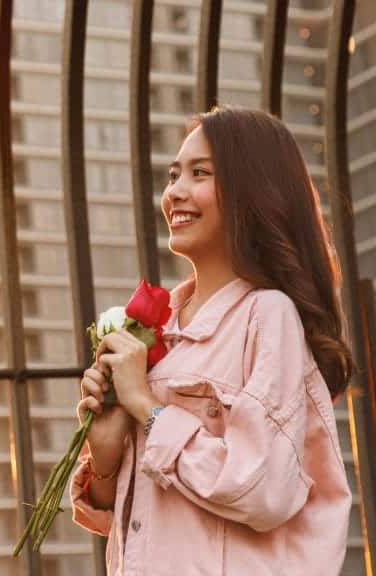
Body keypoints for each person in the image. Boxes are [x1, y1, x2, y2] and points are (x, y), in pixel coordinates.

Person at [71, 106, 353, 575]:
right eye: (174, 174)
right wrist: (105, 454)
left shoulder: (268, 315)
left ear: (251, 190)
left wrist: (149, 409)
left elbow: (264, 489)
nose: (175, 192)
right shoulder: (161, 329)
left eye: (199, 173)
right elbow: (139, 517)